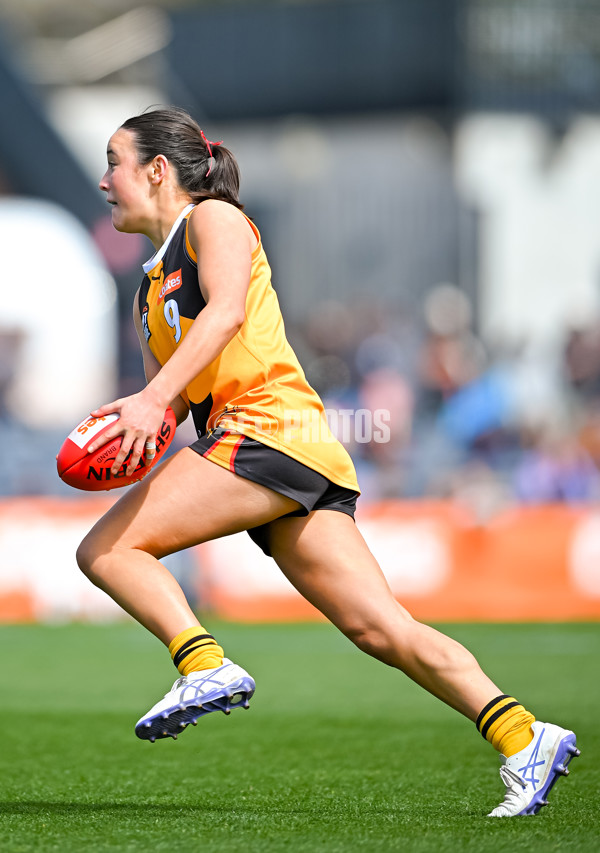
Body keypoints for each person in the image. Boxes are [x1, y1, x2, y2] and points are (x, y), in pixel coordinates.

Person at [77, 106, 578, 818]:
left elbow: (224, 314)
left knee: (105, 549)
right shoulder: (146, 293)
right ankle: (524, 736)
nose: (103, 181)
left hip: (265, 431)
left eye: (114, 162)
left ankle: (203, 662)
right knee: (382, 628)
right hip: (280, 448)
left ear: (158, 170)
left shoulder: (212, 219)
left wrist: (151, 397)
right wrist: (124, 435)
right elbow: (175, 407)